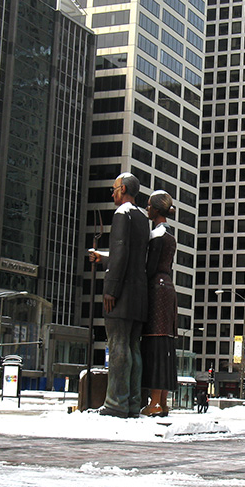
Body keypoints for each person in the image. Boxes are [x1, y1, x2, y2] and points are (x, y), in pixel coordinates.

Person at [89, 173, 149, 418]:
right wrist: (103, 257)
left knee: (118, 346)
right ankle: (133, 403)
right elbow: (131, 256)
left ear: (123, 189)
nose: (112, 193)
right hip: (139, 294)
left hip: (121, 294)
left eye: (114, 189)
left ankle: (115, 404)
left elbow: (121, 252)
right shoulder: (142, 218)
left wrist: (111, 289)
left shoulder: (121, 215)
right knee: (133, 347)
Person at [140, 191, 178, 417]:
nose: (147, 209)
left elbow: (150, 269)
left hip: (156, 291)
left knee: (154, 345)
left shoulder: (157, 235)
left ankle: (154, 402)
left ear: (156, 209)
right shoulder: (170, 235)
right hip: (169, 289)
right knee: (165, 346)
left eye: (149, 206)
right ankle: (162, 401)